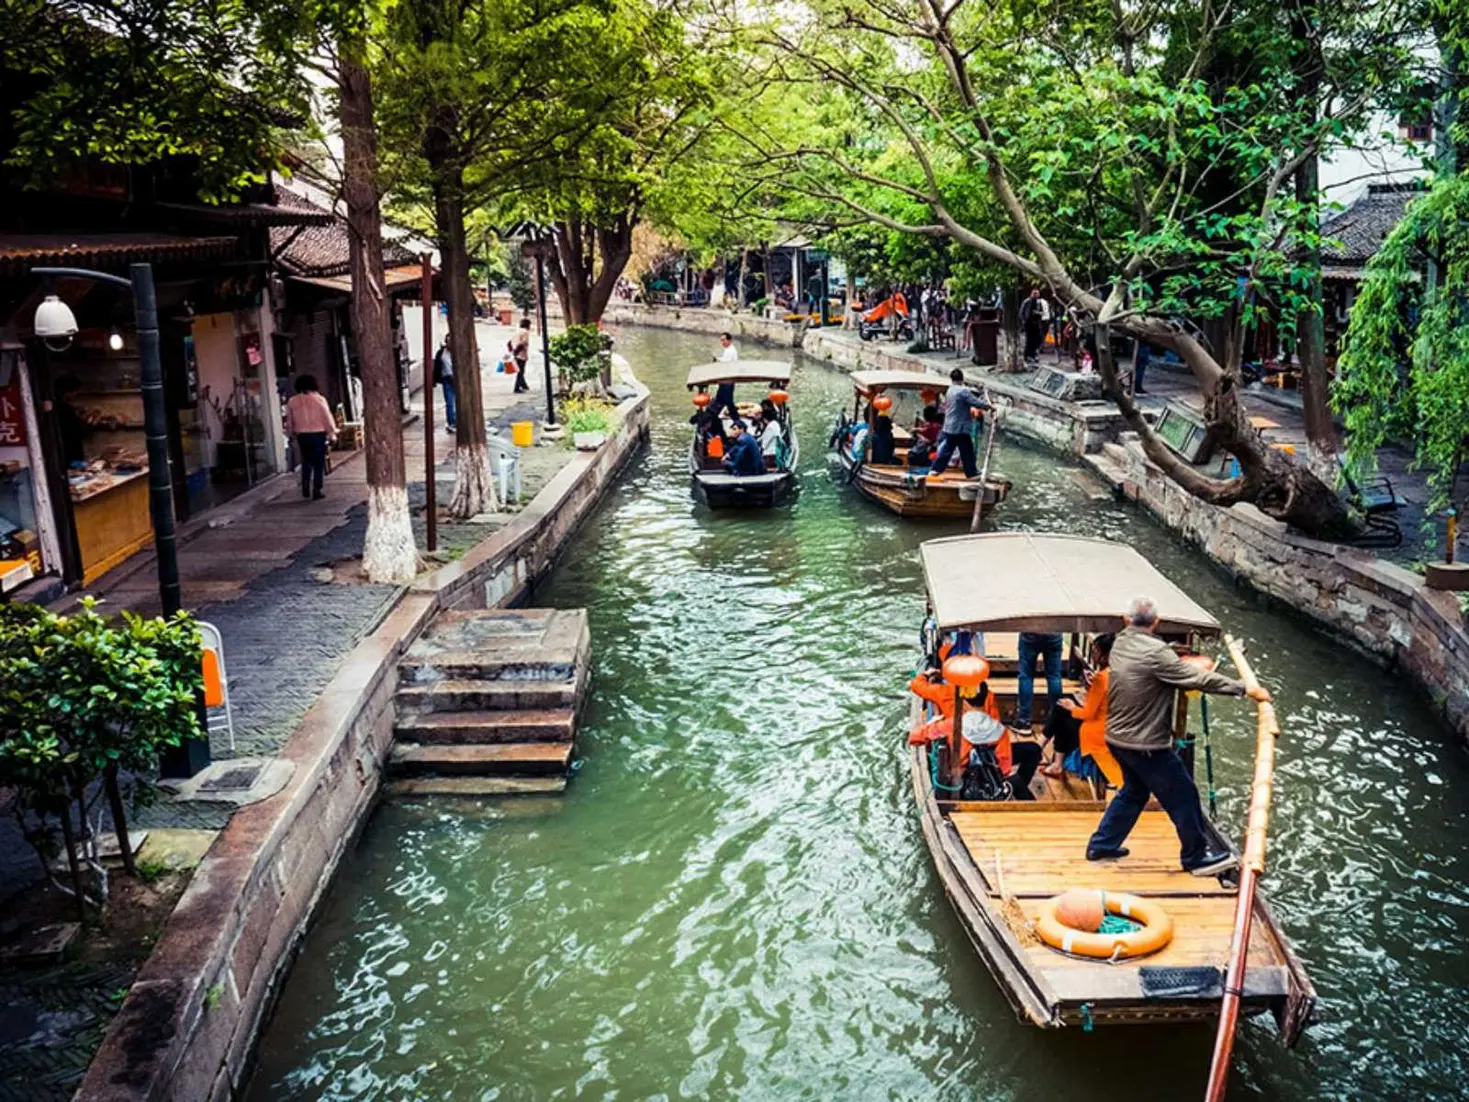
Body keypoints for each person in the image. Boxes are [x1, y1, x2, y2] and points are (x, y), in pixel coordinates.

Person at [1086, 596, 1272, 874]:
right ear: (1157, 623)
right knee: (1184, 796)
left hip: (1117, 739)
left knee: (1134, 791)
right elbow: (1198, 679)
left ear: (1127, 621)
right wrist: (1244, 689)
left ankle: (1101, 845)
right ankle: (1195, 857)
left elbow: (1163, 668)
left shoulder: (1121, 642)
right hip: (1144, 744)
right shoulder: (1157, 653)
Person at [908, 666, 1042, 800]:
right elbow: (1004, 768)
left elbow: (914, 737)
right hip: (989, 782)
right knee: (1029, 757)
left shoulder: (949, 724)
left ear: (964, 702)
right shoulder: (1000, 730)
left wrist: (932, 724)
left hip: (962, 784)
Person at [1041, 633, 1121, 784]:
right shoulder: (1118, 674)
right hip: (1112, 726)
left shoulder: (1102, 678)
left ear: (1105, 655)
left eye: (1096, 651)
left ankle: (1042, 749)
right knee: (1064, 708)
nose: (1093, 655)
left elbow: (1088, 713)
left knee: (1063, 710)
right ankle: (1048, 754)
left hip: (1097, 732)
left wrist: (1073, 707)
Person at [928, 368, 990, 479]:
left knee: (948, 449)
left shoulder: (950, 390)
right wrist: (988, 406)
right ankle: (971, 473)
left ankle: (935, 470)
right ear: (962, 379)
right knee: (967, 450)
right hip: (959, 428)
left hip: (950, 426)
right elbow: (975, 402)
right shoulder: (963, 391)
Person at [285, 374, 338, 500]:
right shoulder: (319, 399)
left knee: (306, 460)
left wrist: (290, 433)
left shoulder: (292, 401)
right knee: (319, 462)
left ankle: (305, 485)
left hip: (302, 434)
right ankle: (317, 489)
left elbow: (289, 419)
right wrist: (332, 432)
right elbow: (327, 417)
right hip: (318, 433)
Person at [1013, 631, 1064, 732]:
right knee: (1054, 677)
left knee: (1026, 676)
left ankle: (1024, 721)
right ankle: (1056, 720)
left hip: (1030, 632)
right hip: (1053, 633)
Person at [431, 337, 456, 430]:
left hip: (457, 379)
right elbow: (437, 366)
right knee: (449, 402)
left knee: (457, 401)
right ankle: (451, 422)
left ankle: (457, 420)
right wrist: (434, 379)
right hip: (447, 378)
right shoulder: (441, 353)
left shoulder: (458, 352)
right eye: (448, 341)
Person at [1020, 288, 1050, 361]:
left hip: (1036, 323)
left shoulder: (1039, 302)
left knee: (1036, 340)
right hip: (1029, 324)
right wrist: (1024, 322)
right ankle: (1027, 356)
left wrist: (1039, 314)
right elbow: (1022, 312)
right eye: (1035, 293)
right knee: (1029, 340)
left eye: (1037, 294)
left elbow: (1042, 312)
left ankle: (1033, 355)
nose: (1036, 295)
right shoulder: (1027, 301)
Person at [757, 398, 784, 462]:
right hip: (775, 452)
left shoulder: (770, 428)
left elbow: (764, 443)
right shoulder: (775, 424)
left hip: (769, 454)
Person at [512, 319, 531, 393]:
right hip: (521, 354)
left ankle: (524, 385)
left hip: (515, 353)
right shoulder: (525, 332)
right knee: (520, 371)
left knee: (520, 370)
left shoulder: (517, 331)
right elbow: (524, 342)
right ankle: (516, 387)